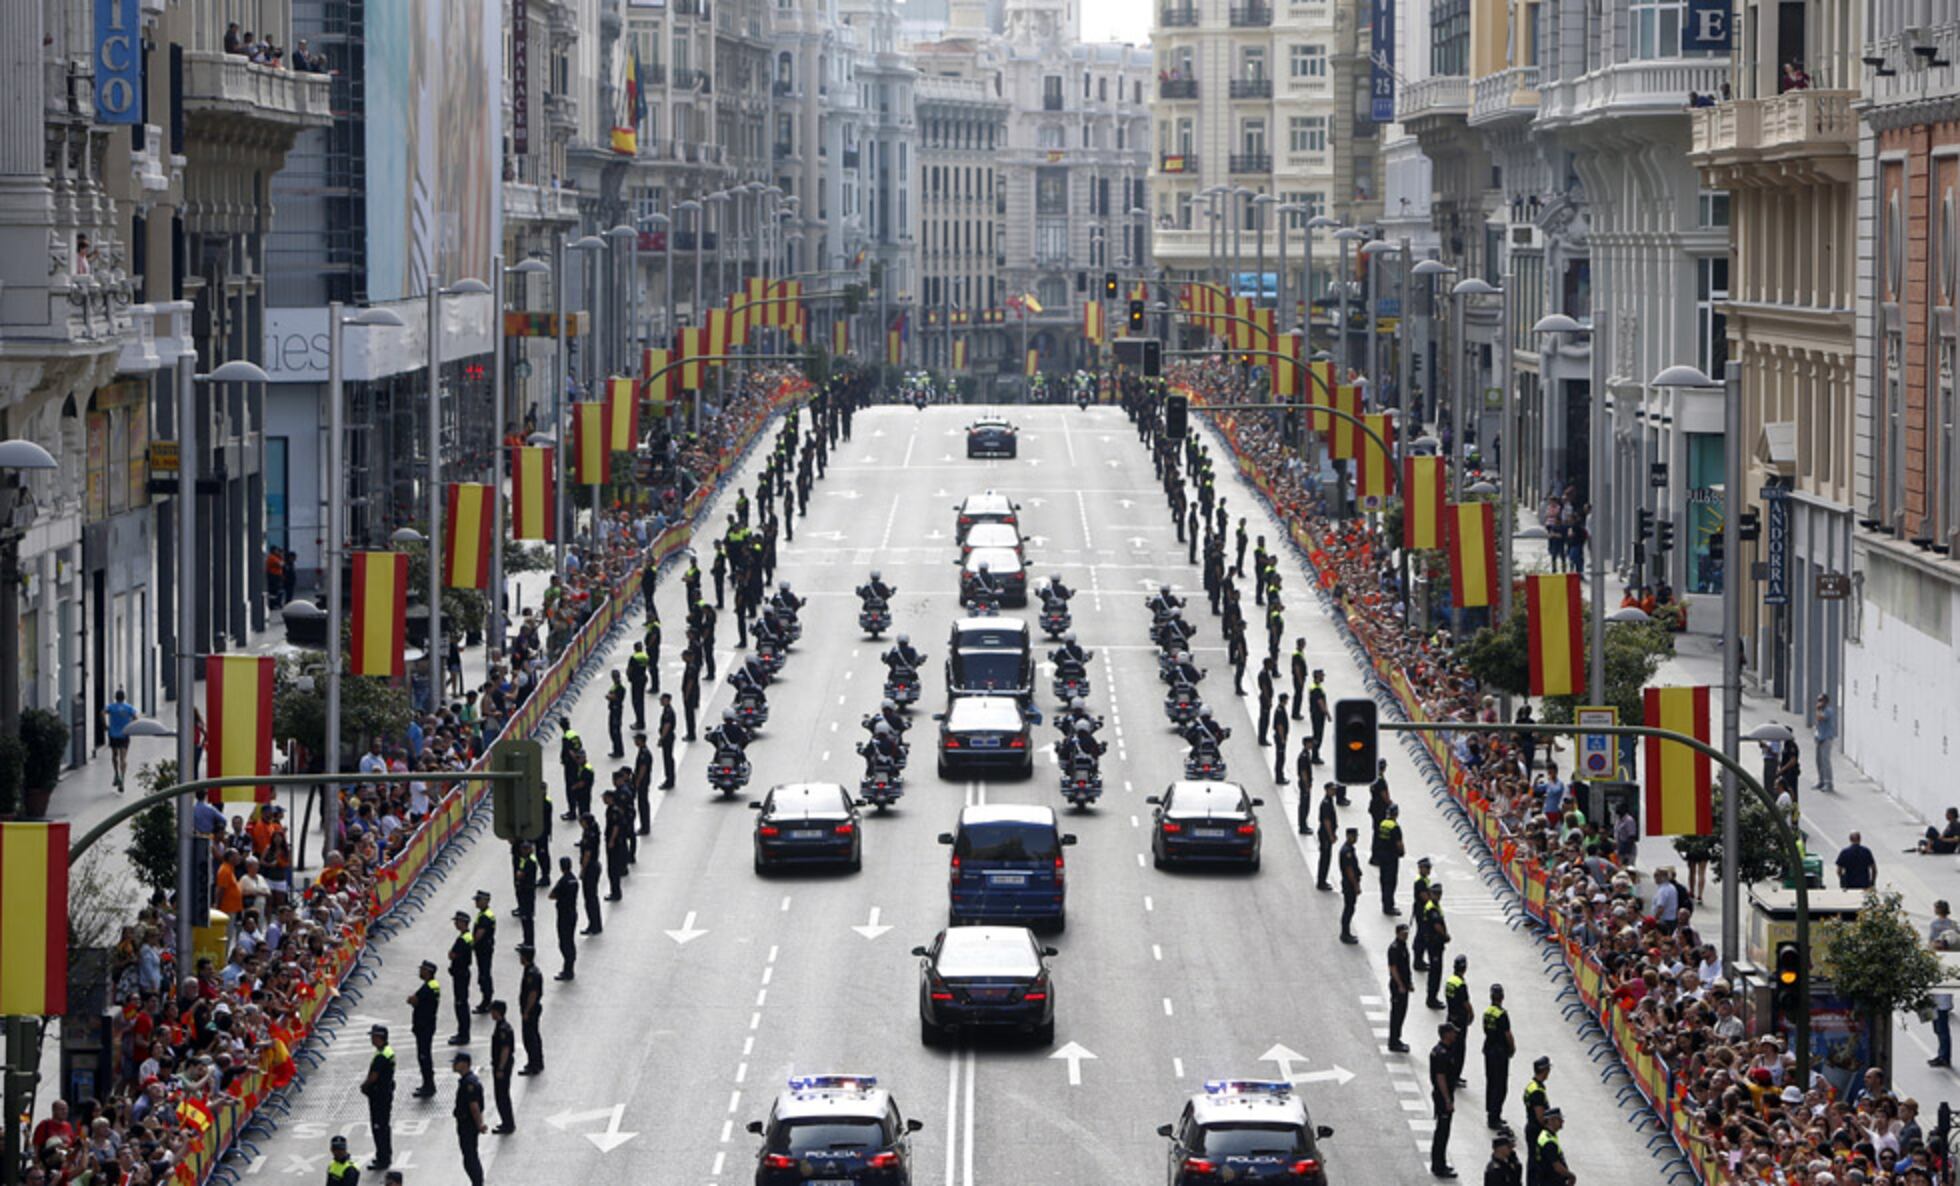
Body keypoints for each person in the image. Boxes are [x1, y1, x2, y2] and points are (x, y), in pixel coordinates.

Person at [360, 1025, 396, 1169]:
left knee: (379, 1127)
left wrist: (365, 1085)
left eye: (373, 1036)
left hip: (379, 1095)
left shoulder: (381, 1056)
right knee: (383, 1126)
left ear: (379, 1037)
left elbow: (374, 1076)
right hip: (385, 1092)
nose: (371, 1039)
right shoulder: (386, 1051)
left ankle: (383, 1158)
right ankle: (384, 1155)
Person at [1482, 984, 1515, 1130]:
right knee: (1500, 1086)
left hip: (1488, 1049)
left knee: (1490, 1082)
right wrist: (1512, 1048)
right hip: (1499, 1053)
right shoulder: (1502, 1014)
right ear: (1502, 997)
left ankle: (1490, 1111)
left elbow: (1485, 1029)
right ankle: (1494, 1117)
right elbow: (1508, 1034)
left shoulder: (1487, 1012)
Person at [452, 1051, 487, 1186]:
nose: (454, 1065)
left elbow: (474, 1106)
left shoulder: (469, 1084)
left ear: (464, 1064)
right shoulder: (467, 1081)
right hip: (467, 1123)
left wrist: (480, 1125)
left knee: (470, 1157)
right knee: (469, 1155)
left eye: (456, 1062)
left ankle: (477, 1183)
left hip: (467, 1124)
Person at [407, 960, 441, 1098]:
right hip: (427, 1024)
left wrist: (412, 999)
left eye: (422, 969)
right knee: (425, 1055)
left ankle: (429, 1085)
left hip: (424, 1026)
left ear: (428, 971)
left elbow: (413, 1000)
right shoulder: (433, 985)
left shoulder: (428, 987)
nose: (420, 972)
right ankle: (427, 1083)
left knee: (424, 1056)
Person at [1431, 1023, 1460, 1178]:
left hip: (1442, 1095)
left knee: (1442, 1132)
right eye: (1453, 1032)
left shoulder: (1440, 1050)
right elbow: (1440, 1077)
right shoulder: (1442, 1054)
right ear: (1446, 1034)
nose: (1455, 1035)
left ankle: (1439, 1163)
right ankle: (1439, 1166)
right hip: (1443, 1097)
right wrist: (1448, 1100)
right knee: (1442, 1132)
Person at [1521, 1057, 1552, 1184]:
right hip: (1536, 1129)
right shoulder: (1537, 1092)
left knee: (1533, 1159)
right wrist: (1548, 1127)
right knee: (1536, 1161)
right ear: (1544, 1070)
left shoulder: (1532, 1085)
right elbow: (1540, 1116)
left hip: (1531, 1126)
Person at [445, 912, 474, 1044]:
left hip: (460, 974)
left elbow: (452, 955)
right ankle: (462, 1032)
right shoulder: (466, 936)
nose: (455, 923)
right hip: (462, 973)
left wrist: (452, 955)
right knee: (461, 1003)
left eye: (457, 921)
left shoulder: (462, 939)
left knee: (461, 1004)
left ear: (463, 922)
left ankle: (463, 1035)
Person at [549, 857, 579, 979]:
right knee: (570, 941)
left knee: (564, 943)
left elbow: (551, 895)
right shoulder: (574, 880)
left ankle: (568, 970)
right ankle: (570, 967)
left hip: (564, 914)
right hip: (572, 913)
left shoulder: (563, 881)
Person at [488, 1001, 515, 1134]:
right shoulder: (501, 1025)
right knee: (501, 1095)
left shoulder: (503, 1029)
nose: (491, 1013)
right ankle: (506, 1122)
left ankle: (508, 1124)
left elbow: (505, 1049)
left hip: (502, 1066)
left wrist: (500, 1068)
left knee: (502, 1095)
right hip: (502, 1065)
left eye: (492, 1011)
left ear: (497, 1012)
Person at [1374, 804, 1405, 915]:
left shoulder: (1383, 824)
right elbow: (1398, 843)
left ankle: (1385, 903)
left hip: (1382, 856)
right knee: (1391, 882)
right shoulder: (1395, 827)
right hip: (1391, 857)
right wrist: (1401, 852)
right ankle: (1389, 906)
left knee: (1383, 881)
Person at [103, 689, 137, 790]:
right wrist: (131, 726)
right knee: (123, 758)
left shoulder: (111, 707)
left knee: (114, 756)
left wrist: (105, 725)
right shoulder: (129, 708)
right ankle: (122, 779)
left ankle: (116, 774)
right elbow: (136, 717)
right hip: (124, 734)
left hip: (113, 734)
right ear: (124, 697)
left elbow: (102, 712)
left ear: (115, 697)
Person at [1387, 923, 1413, 1052]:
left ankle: (1397, 1038)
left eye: (1407, 933)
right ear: (1397, 933)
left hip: (1404, 986)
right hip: (1398, 987)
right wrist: (1401, 985)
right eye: (1403, 933)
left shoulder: (1403, 946)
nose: (1406, 936)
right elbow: (1393, 968)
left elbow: (1406, 967)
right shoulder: (1394, 948)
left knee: (1402, 1013)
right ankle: (1393, 1041)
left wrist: (1409, 983)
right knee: (1397, 1014)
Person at [470, 891, 496, 1012]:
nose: (476, 902)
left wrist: (472, 944)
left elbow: (480, 933)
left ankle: (486, 1001)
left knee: (484, 975)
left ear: (485, 901)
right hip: (485, 948)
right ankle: (486, 999)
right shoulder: (484, 913)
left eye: (478, 900)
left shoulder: (485, 916)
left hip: (484, 949)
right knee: (484, 973)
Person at [1531, 1109, 1571, 1185]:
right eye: (1559, 1119)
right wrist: (1571, 1176)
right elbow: (1556, 1165)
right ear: (1551, 1120)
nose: (1562, 1121)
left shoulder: (1549, 1135)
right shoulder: (1548, 1141)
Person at [1338, 827, 1363, 944]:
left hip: (1349, 883)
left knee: (1350, 907)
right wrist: (1356, 885)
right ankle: (1345, 933)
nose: (1356, 838)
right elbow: (1349, 870)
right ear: (1349, 836)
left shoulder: (1349, 849)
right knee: (1349, 908)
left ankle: (1346, 932)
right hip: (1349, 884)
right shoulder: (1347, 851)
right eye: (1355, 836)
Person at [1314, 783, 1339, 881]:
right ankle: (1321, 881)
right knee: (1325, 858)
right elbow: (1326, 821)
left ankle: (1323, 879)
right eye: (1332, 790)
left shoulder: (1330, 801)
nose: (1334, 791)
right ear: (1327, 790)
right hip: (1325, 835)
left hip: (1326, 834)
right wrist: (1331, 835)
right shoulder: (1326, 803)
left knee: (1326, 858)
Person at [1813, 692, 1837, 792]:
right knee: (1818, 760)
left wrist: (1818, 709)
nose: (1819, 702)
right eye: (1818, 700)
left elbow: (1820, 717)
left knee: (1825, 761)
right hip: (1819, 738)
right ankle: (1821, 781)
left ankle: (1829, 783)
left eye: (1821, 700)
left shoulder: (1828, 711)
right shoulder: (1821, 711)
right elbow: (1818, 724)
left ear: (1826, 702)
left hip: (1827, 738)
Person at [657, 694, 678, 790]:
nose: (660, 701)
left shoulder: (668, 712)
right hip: (668, 737)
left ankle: (669, 780)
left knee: (668, 759)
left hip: (668, 737)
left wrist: (662, 738)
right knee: (667, 758)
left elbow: (667, 725)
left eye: (662, 699)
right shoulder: (666, 710)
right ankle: (669, 779)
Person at [1308, 669, 1329, 759]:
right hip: (1317, 714)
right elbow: (1320, 702)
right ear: (1318, 676)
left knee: (1317, 734)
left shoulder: (1316, 687)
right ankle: (1315, 755)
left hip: (1315, 713)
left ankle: (1315, 754)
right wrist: (1327, 713)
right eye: (1322, 676)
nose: (1323, 677)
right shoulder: (1316, 689)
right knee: (1318, 735)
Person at [606, 671, 627, 758]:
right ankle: (616, 749)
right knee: (612, 731)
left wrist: (609, 697)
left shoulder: (620, 688)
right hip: (613, 710)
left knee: (615, 731)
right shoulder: (614, 687)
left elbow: (615, 697)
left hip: (616, 711)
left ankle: (619, 751)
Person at [1271, 696, 1291, 784]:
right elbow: (1280, 726)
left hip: (1280, 736)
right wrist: (1282, 738)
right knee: (1280, 758)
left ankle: (1280, 775)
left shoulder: (1281, 709)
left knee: (1281, 758)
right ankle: (1279, 778)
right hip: (1280, 738)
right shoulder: (1280, 711)